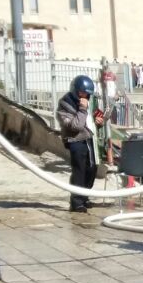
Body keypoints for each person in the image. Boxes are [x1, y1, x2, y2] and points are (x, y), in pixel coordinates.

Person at [56, 74, 101, 215]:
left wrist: (99, 121)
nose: (85, 97)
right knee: (79, 170)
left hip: (88, 138)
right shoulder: (64, 105)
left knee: (92, 168)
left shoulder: (89, 101)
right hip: (75, 140)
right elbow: (76, 126)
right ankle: (76, 202)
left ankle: (84, 195)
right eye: (83, 93)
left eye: (87, 95)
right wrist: (82, 109)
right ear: (76, 91)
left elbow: (90, 121)